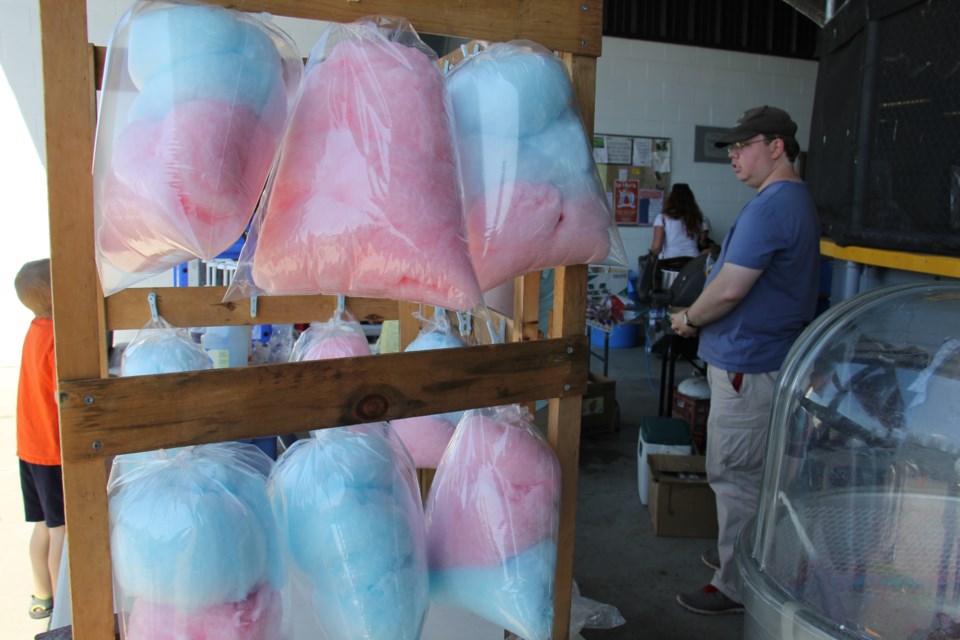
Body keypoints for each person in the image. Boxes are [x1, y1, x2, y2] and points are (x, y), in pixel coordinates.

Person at [669, 106, 821, 615]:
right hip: (762, 363)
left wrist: (689, 317)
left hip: (750, 369)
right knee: (754, 474)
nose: (733, 155)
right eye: (730, 148)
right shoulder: (788, 201)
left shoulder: (772, 207)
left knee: (736, 478)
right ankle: (745, 555)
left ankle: (737, 585)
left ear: (776, 147)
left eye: (742, 146)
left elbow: (730, 290)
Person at [14, 258, 64, 621]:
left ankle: (41, 594)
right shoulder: (59, 342)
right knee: (63, 530)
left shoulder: (35, 330)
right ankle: (65, 602)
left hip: (30, 448)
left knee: (43, 527)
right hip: (53, 451)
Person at [649, 183, 711, 260]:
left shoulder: (662, 218)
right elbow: (702, 242)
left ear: (671, 199)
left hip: (670, 261)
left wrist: (649, 256)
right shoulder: (698, 218)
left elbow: (657, 247)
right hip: (693, 260)